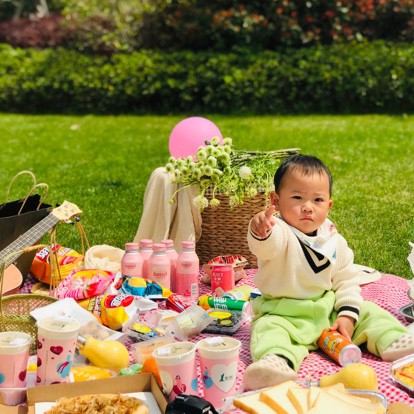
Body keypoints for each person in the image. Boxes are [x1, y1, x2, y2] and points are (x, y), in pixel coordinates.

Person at [244, 154, 414, 390]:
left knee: (369, 311)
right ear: (276, 200)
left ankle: (392, 339)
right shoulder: (279, 230)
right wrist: (260, 230)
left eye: (318, 200)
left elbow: (346, 279)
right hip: (283, 314)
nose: (307, 207)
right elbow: (266, 246)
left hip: (327, 313)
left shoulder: (332, 238)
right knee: (267, 331)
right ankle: (277, 361)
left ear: (329, 205)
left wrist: (347, 316)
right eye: (297, 197)